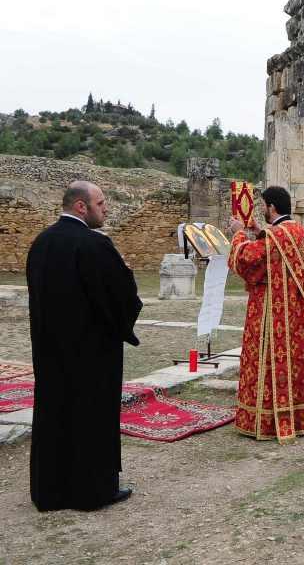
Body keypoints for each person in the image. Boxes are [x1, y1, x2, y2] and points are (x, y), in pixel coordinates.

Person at [27, 181, 142, 511]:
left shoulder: (41, 243)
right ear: (81, 206)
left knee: (55, 414)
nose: (106, 208)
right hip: (92, 354)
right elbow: (119, 297)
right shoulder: (94, 244)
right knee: (91, 417)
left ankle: (50, 490)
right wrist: (128, 276)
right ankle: (92, 491)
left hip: (50, 352)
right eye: (101, 203)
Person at [229, 186, 304, 442]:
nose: (263, 212)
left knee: (266, 363)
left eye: (264, 207)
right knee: (295, 363)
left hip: (271, 308)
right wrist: (259, 233)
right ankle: (301, 419)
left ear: (271, 207)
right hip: (295, 312)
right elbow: (275, 258)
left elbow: (247, 260)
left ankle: (268, 422)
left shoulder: (276, 235)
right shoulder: (297, 230)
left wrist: (238, 235)